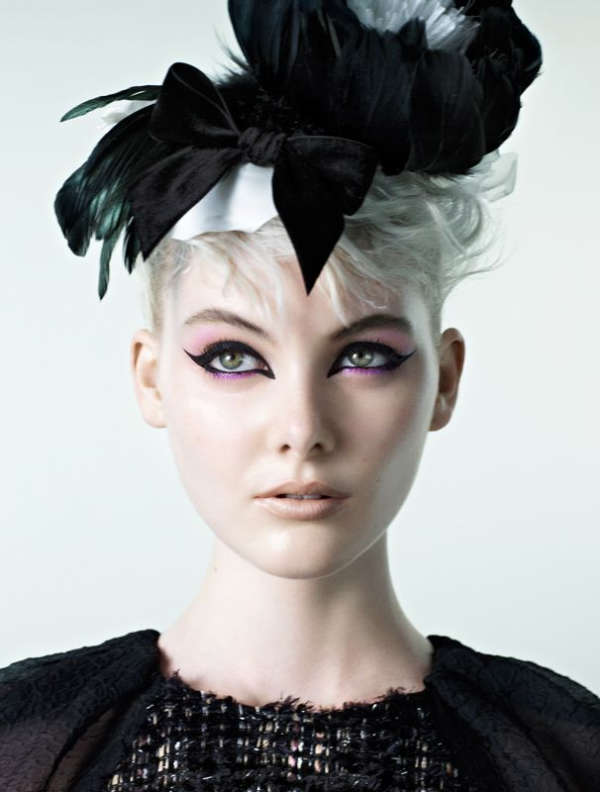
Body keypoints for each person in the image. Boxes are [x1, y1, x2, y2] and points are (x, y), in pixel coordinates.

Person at [1, 1, 599, 791]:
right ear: (151, 377)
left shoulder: (568, 753)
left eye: (362, 357)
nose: (301, 428)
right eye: (232, 357)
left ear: (445, 380)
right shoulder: (23, 741)